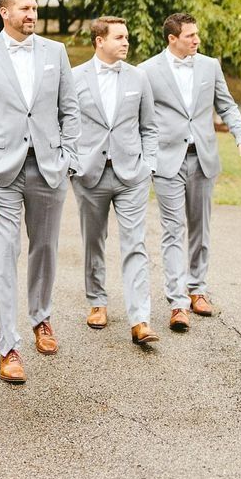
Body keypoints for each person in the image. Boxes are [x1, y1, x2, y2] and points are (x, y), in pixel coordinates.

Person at [0, 0, 80, 383]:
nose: (32, 14)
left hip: (50, 168)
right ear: (4, 12)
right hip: (2, 170)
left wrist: (69, 158)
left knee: (46, 250)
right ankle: (8, 345)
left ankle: (41, 318)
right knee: (4, 256)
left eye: (35, 8)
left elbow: (70, 110)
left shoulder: (56, 52)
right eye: (25, 8)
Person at [140, 12, 241, 331]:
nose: (197, 40)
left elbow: (227, 106)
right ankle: (177, 303)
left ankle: (197, 290)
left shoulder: (209, 66)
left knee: (200, 228)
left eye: (197, 34)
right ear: (172, 39)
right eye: (190, 35)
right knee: (173, 229)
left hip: (203, 158)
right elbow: (137, 115)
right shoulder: (147, 71)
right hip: (166, 161)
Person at [71, 17, 159, 345]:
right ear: (99, 41)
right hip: (89, 173)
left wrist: (148, 164)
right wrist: (72, 163)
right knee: (94, 240)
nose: (126, 43)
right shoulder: (74, 77)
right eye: (119, 37)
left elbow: (149, 126)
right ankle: (97, 301)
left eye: (127, 37)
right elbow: (64, 122)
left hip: (131, 174)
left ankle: (140, 319)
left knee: (135, 243)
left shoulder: (139, 77)